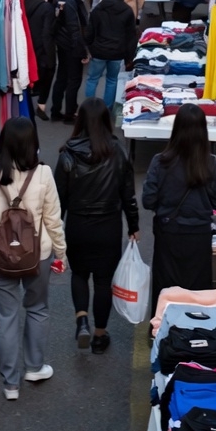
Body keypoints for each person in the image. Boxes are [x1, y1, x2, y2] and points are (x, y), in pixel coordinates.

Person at [0, 118, 67, 400]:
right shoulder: (43, 174)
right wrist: (61, 252)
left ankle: (10, 384)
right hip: (38, 255)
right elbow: (53, 220)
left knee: (5, 317)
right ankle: (35, 367)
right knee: (37, 308)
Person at [54, 98, 139, 353]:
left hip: (77, 225)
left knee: (79, 274)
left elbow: (59, 198)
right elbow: (128, 195)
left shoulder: (68, 153)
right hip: (108, 226)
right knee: (103, 281)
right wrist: (133, 225)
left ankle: (82, 320)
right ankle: (100, 335)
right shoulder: (118, 151)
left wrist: (55, 229)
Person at [142, 103, 216, 312]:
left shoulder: (160, 162)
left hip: (168, 232)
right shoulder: (210, 163)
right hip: (199, 235)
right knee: (197, 291)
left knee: (165, 287)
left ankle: (161, 325)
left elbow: (148, 200)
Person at [84, 0, 137, 110]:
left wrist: (90, 49)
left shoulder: (98, 9)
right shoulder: (127, 11)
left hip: (98, 51)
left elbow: (90, 32)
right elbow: (131, 37)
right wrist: (129, 58)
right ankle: (107, 109)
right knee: (112, 80)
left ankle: (89, 108)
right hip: (117, 53)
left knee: (92, 79)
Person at [51, 0, 90, 122]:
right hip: (71, 44)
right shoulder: (71, 0)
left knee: (62, 77)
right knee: (73, 80)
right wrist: (82, 51)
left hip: (63, 43)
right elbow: (75, 27)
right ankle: (70, 113)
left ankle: (56, 111)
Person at [25, 0, 55, 122]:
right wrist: (50, 57)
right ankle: (41, 105)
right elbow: (46, 34)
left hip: (26, 47)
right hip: (41, 50)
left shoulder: (25, 2)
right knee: (47, 77)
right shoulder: (47, 8)